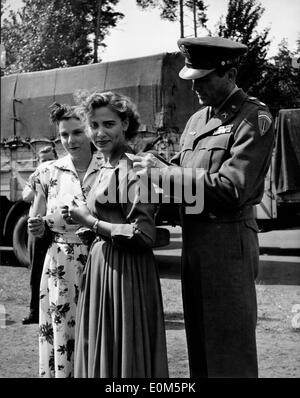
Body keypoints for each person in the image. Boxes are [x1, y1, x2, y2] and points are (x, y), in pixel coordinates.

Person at [133, 37, 275, 378]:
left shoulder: (253, 119)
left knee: (228, 347)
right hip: (195, 244)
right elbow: (182, 179)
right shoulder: (197, 120)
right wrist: (147, 177)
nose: (194, 85)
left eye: (203, 78)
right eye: (192, 78)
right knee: (199, 343)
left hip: (228, 245)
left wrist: (167, 173)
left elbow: (232, 189)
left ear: (230, 74)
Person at [68, 91, 169, 378]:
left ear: (125, 124)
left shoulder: (134, 168)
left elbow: (142, 234)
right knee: (103, 351)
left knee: (125, 356)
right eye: (94, 125)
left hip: (127, 273)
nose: (99, 133)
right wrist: (85, 222)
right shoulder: (104, 167)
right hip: (102, 267)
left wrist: (90, 221)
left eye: (108, 124)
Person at [27, 103, 102, 377]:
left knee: (97, 332)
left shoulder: (109, 166)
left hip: (102, 262)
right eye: (64, 134)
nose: (71, 140)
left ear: (91, 130)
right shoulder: (47, 172)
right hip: (60, 266)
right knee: (63, 334)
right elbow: (38, 218)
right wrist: (37, 227)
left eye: (78, 132)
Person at [22, 146, 58, 325]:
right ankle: (34, 312)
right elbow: (25, 196)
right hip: (36, 228)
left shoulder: (60, 175)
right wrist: (37, 180)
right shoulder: (36, 176)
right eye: (43, 160)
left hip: (52, 226)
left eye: (50, 159)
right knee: (36, 270)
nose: (47, 163)